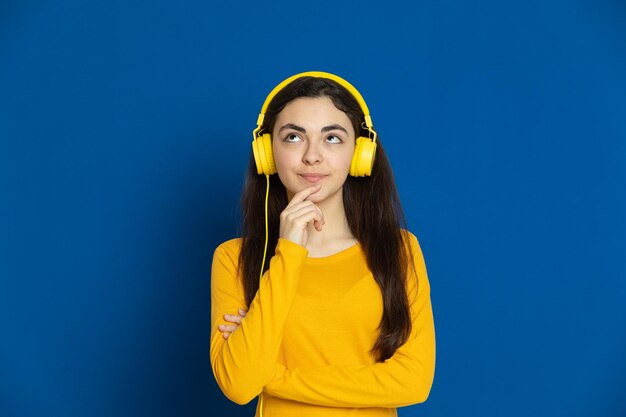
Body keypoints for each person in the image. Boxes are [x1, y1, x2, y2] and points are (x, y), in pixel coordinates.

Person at [210, 71, 435, 417]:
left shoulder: (399, 250)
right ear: (267, 153)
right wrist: (289, 253)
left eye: (332, 138)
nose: (312, 156)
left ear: (359, 154)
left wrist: (273, 376)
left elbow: (413, 382)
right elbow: (239, 384)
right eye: (293, 137)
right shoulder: (233, 258)